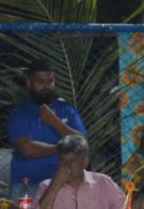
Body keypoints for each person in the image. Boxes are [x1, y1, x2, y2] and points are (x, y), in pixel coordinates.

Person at [34, 134, 123, 209]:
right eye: (62, 160)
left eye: (72, 160)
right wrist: (55, 185)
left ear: (84, 163)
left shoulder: (103, 182)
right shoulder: (46, 186)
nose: (66, 165)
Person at [6, 63, 85, 194]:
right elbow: (27, 149)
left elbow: (81, 143)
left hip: (64, 182)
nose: (46, 86)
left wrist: (54, 121)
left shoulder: (67, 109)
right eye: (40, 82)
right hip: (28, 183)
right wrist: (61, 147)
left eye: (50, 81)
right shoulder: (20, 112)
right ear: (29, 83)